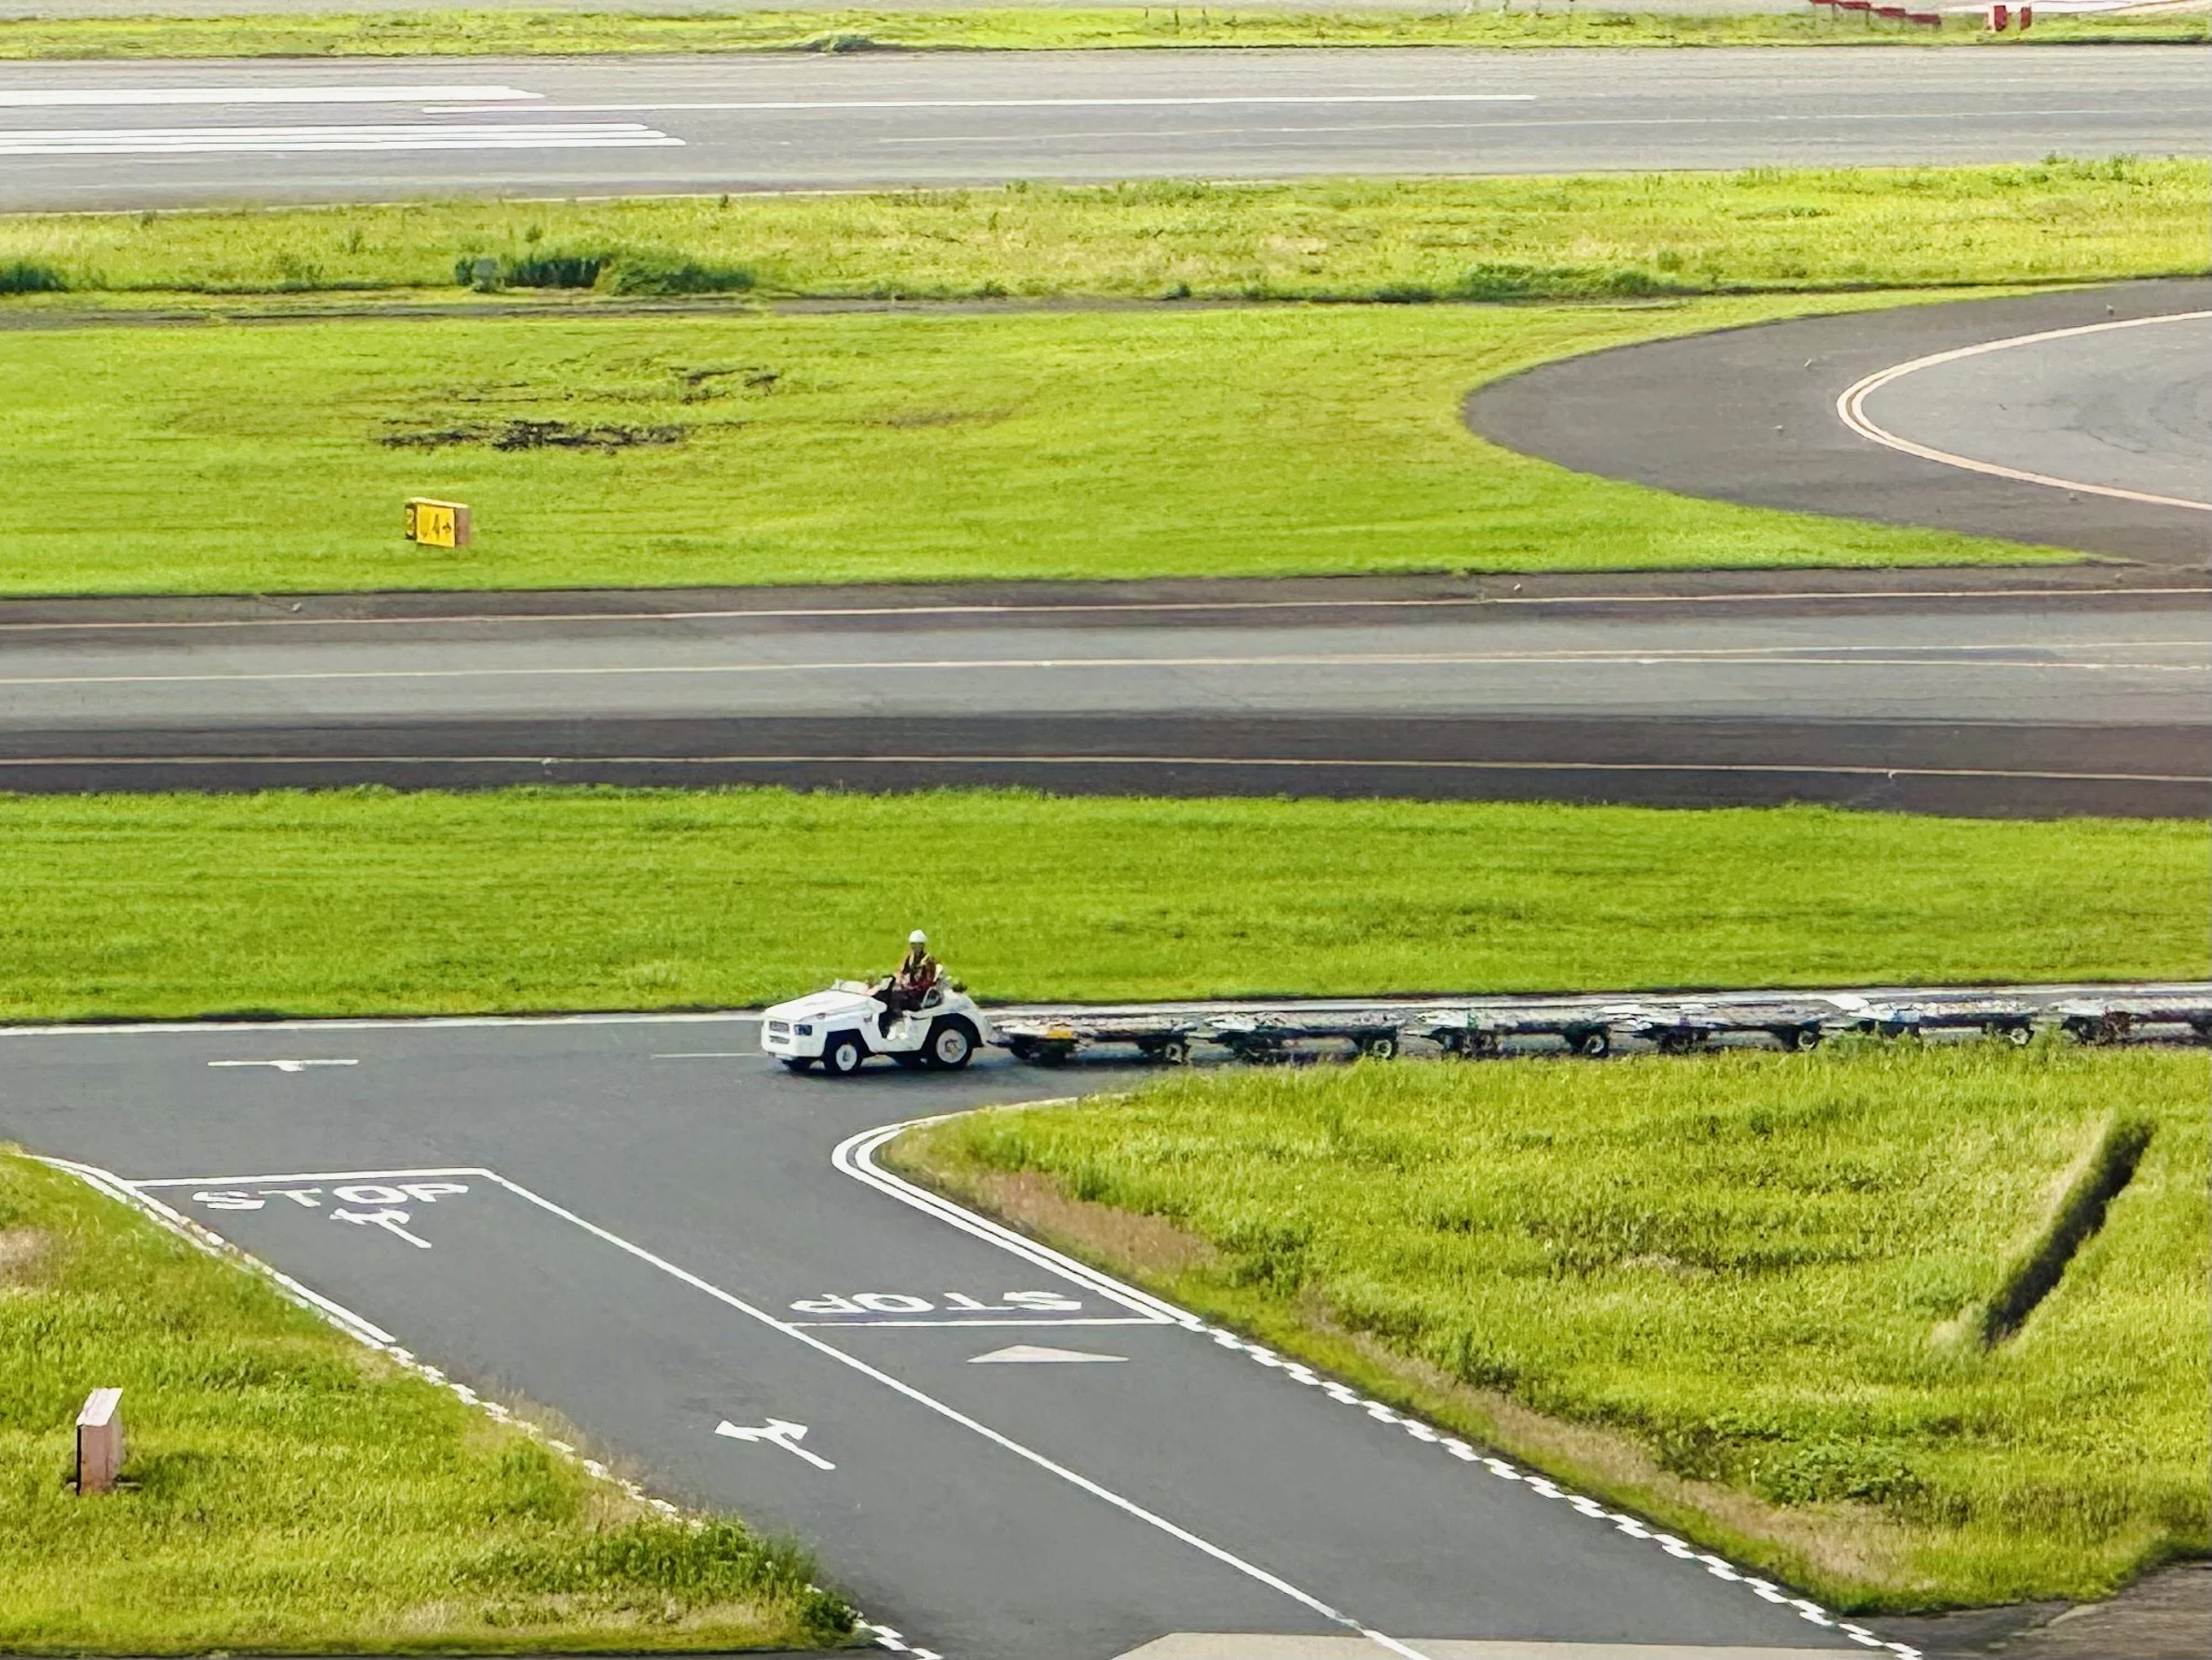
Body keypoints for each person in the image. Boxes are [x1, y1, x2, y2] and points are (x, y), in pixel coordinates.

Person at [876, 930, 942, 1029]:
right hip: (908, 991)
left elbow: (927, 982)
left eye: (917, 945)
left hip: (918, 997)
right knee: (885, 994)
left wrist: (912, 988)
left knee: (895, 998)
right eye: (913, 945)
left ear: (922, 945)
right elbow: (901, 971)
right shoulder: (910, 958)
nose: (915, 947)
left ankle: (899, 1021)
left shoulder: (928, 961)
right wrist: (898, 979)